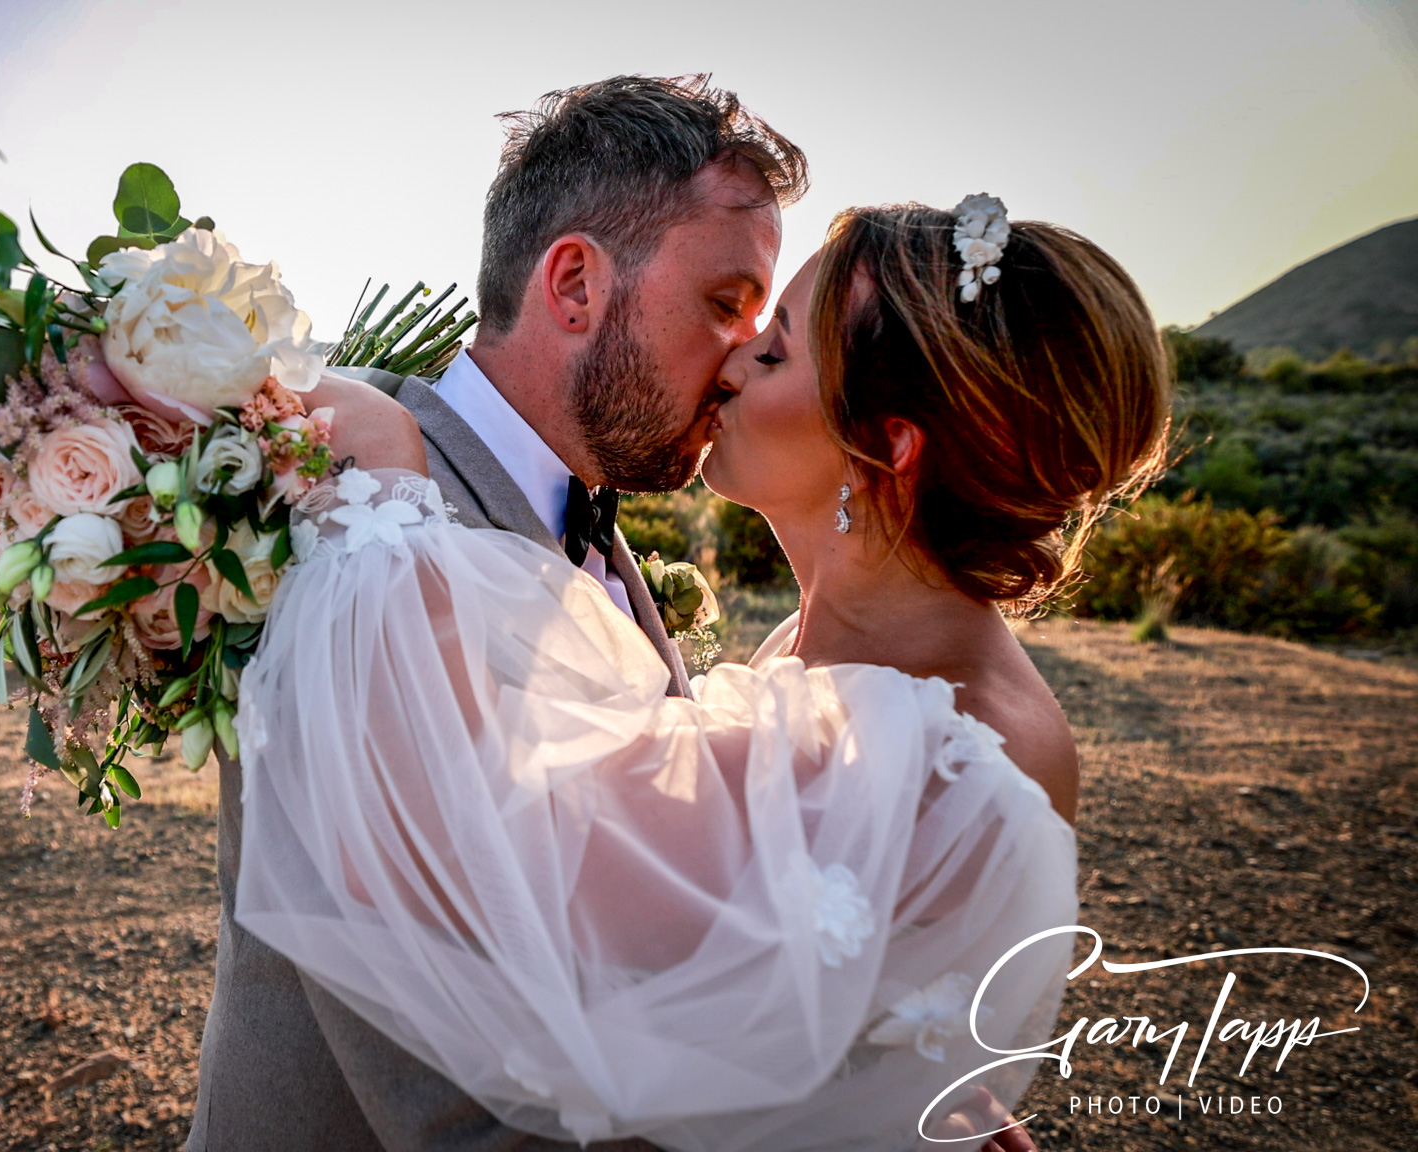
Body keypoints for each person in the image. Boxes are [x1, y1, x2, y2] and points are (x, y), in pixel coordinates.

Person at [234, 187, 1171, 1152]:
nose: (731, 362)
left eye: (774, 351)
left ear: (888, 446)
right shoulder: (817, 654)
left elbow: (504, 863)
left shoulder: (946, 733)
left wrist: (386, 498)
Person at [185, 75, 809, 1152]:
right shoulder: (344, 501)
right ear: (573, 285)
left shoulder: (579, 513)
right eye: (723, 303)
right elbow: (439, 1068)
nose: (742, 360)